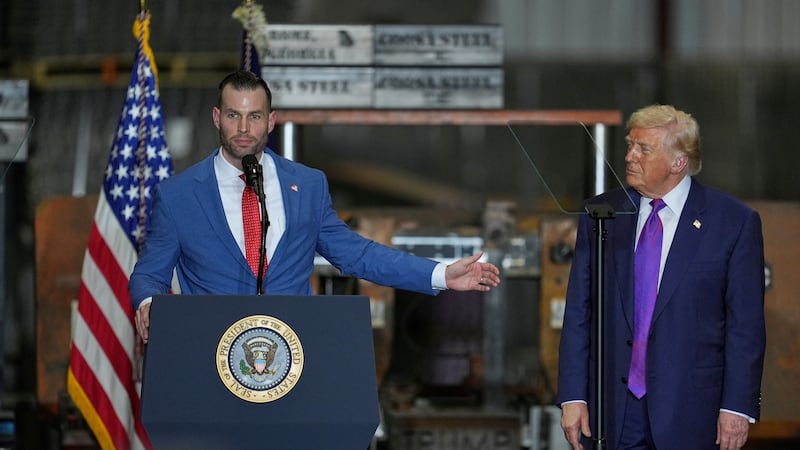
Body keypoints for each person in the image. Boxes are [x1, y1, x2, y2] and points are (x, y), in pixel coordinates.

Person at [129, 70, 501, 343]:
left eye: (254, 116)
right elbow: (149, 273)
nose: (243, 128)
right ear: (217, 118)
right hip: (209, 356)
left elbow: (357, 254)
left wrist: (441, 275)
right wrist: (147, 302)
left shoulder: (307, 185)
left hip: (294, 359)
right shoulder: (177, 195)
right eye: (233, 115)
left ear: (270, 121)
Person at [557, 104, 765, 450]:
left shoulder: (733, 222)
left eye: (644, 149)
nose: (630, 156)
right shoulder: (602, 214)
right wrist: (573, 396)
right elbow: (579, 312)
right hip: (613, 410)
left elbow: (746, 326)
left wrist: (737, 406)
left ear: (678, 162)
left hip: (693, 412)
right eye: (630, 145)